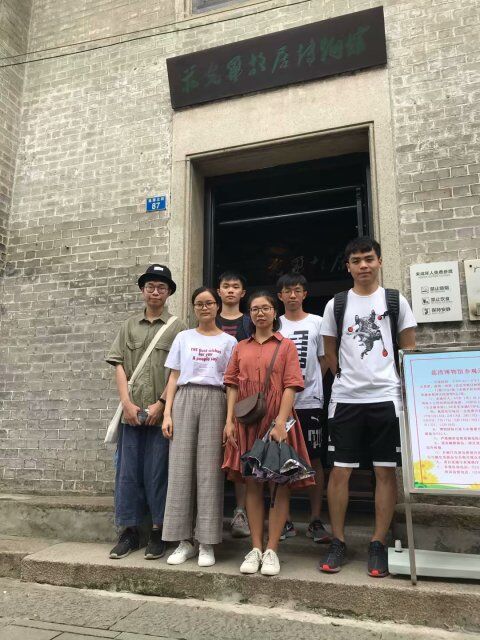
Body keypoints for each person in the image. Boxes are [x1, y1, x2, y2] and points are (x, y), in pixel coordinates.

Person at [320, 237, 416, 577]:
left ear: (379, 261)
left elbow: (408, 350)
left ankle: (378, 543)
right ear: (348, 266)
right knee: (340, 471)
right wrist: (346, 377)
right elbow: (329, 351)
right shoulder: (337, 304)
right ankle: (338, 540)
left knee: (385, 471)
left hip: (386, 398)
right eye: (356, 260)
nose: (363, 265)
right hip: (346, 398)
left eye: (369, 258)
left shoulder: (395, 300)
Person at [222, 291, 314, 576]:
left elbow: (291, 385)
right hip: (247, 420)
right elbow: (232, 384)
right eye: (254, 309)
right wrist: (229, 420)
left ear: (275, 312)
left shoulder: (286, 346)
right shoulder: (241, 347)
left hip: (277, 419)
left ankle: (272, 549)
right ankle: (255, 547)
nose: (260, 313)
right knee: (252, 483)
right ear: (249, 315)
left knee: (279, 484)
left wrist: (280, 422)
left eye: (265, 308)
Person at [106, 264, 185, 560]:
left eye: (161, 287)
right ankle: (129, 532)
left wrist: (162, 405)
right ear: (142, 290)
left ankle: (157, 531)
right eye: (150, 286)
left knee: (157, 473)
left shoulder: (178, 328)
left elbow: (178, 371)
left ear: (169, 293)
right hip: (131, 412)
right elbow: (118, 364)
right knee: (127, 474)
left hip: (161, 415)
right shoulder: (128, 326)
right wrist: (126, 403)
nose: (155, 291)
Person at [162, 287, 237, 568]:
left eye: (209, 303)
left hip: (215, 400)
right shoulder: (183, 337)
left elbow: (232, 383)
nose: (204, 308)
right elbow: (173, 376)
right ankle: (184, 541)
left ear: (218, 306)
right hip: (184, 399)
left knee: (209, 472)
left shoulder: (229, 341)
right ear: (194, 308)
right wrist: (167, 413)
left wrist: (230, 420)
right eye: (199, 304)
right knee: (180, 470)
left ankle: (206, 542)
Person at [277, 273, 330, 544]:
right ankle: (284, 519)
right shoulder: (275, 324)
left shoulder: (318, 322)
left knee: (314, 459)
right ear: (280, 296)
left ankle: (315, 519)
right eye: (287, 291)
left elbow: (325, 359)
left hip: (310, 401)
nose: (292, 295)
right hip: (281, 405)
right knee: (280, 458)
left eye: (297, 290)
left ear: (305, 294)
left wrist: (310, 382)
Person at [216, 271, 251, 538]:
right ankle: (211, 512)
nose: (230, 290)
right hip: (212, 393)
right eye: (226, 286)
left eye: (235, 286)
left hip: (242, 396)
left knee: (240, 455)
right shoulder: (209, 318)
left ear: (242, 293)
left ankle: (240, 512)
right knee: (211, 455)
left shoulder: (250, 322)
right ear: (218, 291)